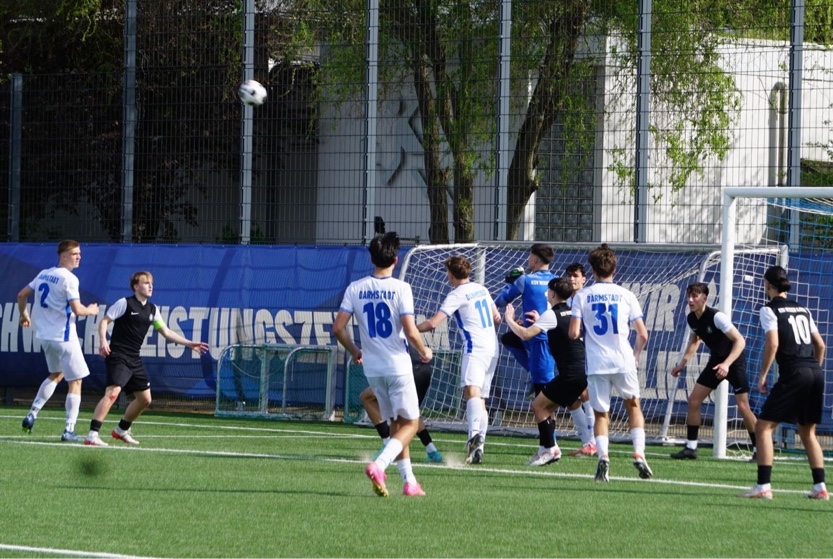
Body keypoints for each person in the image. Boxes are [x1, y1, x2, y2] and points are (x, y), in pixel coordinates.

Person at [333, 232, 433, 497]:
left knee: (398, 426)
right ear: (396, 259)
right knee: (411, 425)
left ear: (371, 258)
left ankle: (409, 482)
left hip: (373, 368)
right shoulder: (401, 288)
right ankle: (379, 464)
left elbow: (338, 328)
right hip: (398, 366)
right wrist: (425, 351)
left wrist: (355, 350)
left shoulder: (355, 288)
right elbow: (411, 332)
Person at [84, 271, 209, 446]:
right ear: (136, 286)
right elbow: (104, 321)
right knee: (113, 393)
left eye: (151, 283)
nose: (150, 286)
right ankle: (92, 435)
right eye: (146, 282)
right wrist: (103, 341)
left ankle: (121, 430)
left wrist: (189, 344)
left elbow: (166, 332)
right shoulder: (124, 303)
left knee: (145, 399)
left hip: (134, 358)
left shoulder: (152, 309)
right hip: (118, 355)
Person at [740, 266, 828, 500]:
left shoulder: (769, 310)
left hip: (795, 372)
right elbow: (821, 345)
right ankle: (820, 488)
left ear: (768, 285)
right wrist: (813, 368)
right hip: (815, 372)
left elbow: (773, 344)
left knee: (763, 427)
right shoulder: (803, 309)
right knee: (807, 432)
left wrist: (762, 376)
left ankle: (763, 487)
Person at [569, 243, 652, 482]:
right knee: (633, 406)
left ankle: (603, 457)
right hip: (623, 360)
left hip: (597, 363)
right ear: (614, 269)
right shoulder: (627, 295)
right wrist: (635, 355)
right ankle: (639, 453)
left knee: (601, 413)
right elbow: (643, 334)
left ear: (592, 271)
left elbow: (574, 333)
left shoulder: (582, 296)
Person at [416, 255, 500, 465]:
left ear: (451, 275)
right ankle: (479, 447)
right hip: (492, 348)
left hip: (475, 348)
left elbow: (434, 323)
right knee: (481, 399)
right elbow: (496, 318)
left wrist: (410, 330)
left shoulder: (457, 294)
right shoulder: (482, 289)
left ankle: (473, 438)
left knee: (471, 392)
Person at [18, 240, 99, 442]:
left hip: (45, 337)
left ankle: (32, 414)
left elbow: (21, 295)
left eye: (79, 253)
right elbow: (78, 309)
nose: (78, 257)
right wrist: (92, 310)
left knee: (56, 374)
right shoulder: (69, 279)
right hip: (64, 337)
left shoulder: (44, 273)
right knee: (76, 381)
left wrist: (24, 315)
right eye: (74, 254)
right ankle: (68, 430)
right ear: (63, 256)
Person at [669, 282, 757, 459]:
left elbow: (740, 341)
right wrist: (682, 364)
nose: (690, 300)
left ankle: (760, 449)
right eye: (689, 296)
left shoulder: (717, 317)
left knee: (742, 405)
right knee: (694, 400)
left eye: (695, 296)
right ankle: (691, 448)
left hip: (734, 360)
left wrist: (727, 364)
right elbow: (695, 341)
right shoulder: (692, 318)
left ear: (705, 298)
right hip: (716, 362)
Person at [505, 277, 587, 466]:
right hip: (582, 372)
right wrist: (539, 320)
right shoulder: (573, 312)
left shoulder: (552, 314)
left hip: (570, 374)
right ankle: (546, 447)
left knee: (538, 406)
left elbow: (525, 334)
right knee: (548, 408)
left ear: (552, 294)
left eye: (548, 292)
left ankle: (551, 449)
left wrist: (509, 319)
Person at [359, 345, 443, 463]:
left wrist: (363, 352)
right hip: (422, 369)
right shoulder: (403, 328)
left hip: (405, 371)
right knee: (410, 413)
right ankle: (432, 451)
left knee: (367, 398)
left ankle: (388, 445)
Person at [494, 244, 556, 394]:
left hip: (538, 338)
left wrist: (511, 282)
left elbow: (500, 302)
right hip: (552, 336)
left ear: (534, 259)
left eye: (529, 257)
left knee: (543, 394)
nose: (528, 260)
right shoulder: (557, 280)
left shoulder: (526, 280)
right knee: (509, 338)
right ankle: (532, 370)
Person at [563, 262, 596, 456]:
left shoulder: (587, 299)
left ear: (584, 278)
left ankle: (592, 442)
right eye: (569, 275)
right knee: (570, 398)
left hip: (586, 352)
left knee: (585, 394)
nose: (572, 279)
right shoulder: (565, 302)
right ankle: (587, 441)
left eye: (576, 275)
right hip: (568, 354)